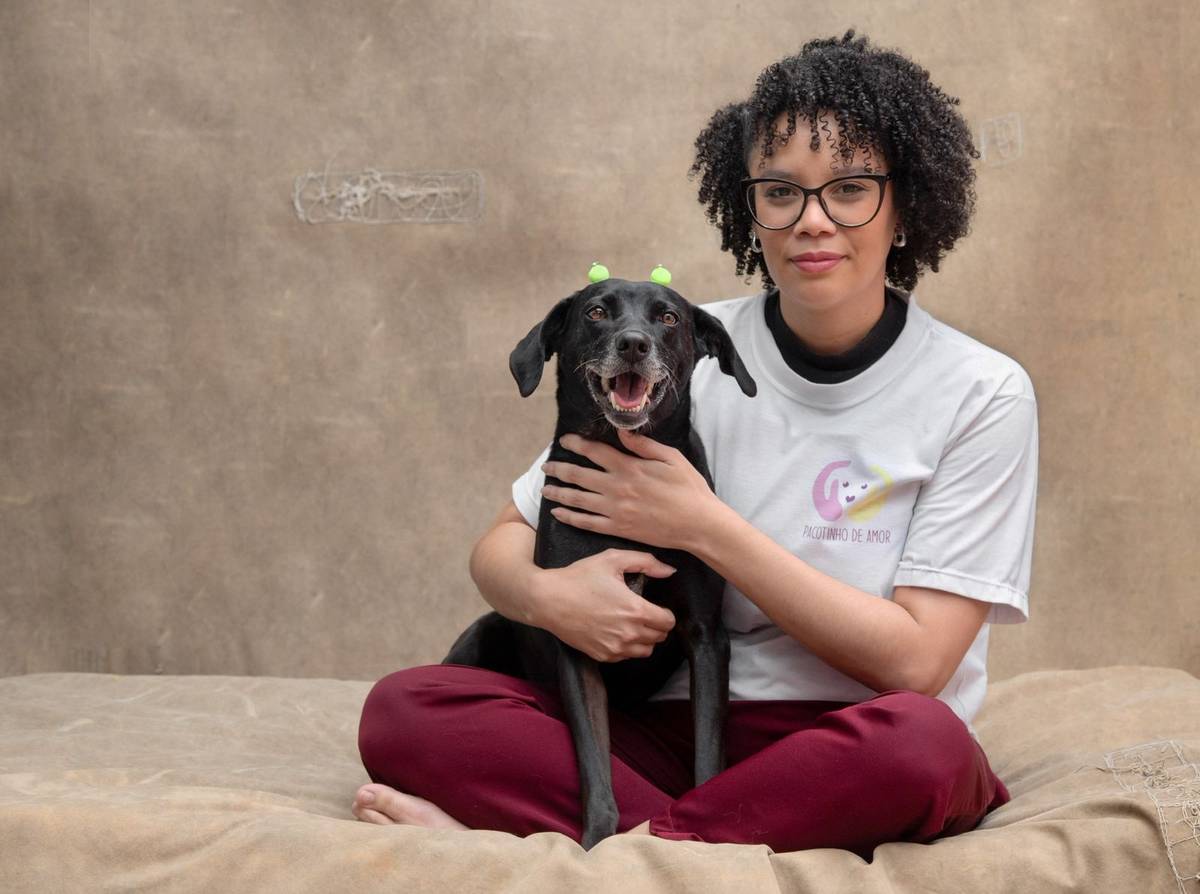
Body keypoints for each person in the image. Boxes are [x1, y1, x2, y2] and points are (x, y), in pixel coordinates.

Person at [353, 30, 1038, 859]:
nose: (812, 220)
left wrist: (703, 524)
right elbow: (503, 543)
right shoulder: (680, 346)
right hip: (669, 732)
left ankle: (610, 841)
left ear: (906, 208)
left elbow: (917, 665)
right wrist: (546, 598)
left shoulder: (981, 391)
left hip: (852, 738)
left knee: (927, 750)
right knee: (403, 710)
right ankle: (694, 840)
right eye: (780, 192)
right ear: (751, 211)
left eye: (851, 189)